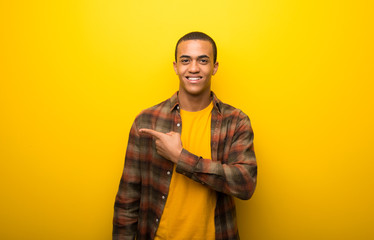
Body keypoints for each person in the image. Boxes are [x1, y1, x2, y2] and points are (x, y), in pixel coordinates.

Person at [113, 31, 257, 240]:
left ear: (215, 67)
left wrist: (180, 158)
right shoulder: (146, 121)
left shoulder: (236, 121)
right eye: (186, 60)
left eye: (203, 60)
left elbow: (245, 184)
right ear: (175, 67)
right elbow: (128, 199)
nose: (194, 68)